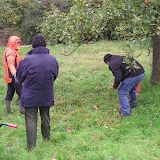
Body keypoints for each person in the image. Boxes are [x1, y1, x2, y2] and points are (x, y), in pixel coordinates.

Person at [16, 34, 59, 150]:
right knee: (45, 116)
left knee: (31, 119)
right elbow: (54, 76)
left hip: (30, 96)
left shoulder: (26, 61)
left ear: (33, 46)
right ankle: (47, 139)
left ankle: (31, 147)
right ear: (45, 45)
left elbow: (17, 79)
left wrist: (21, 95)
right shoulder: (53, 59)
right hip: (46, 95)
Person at [2, 36, 24, 114]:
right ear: (13, 42)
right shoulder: (11, 52)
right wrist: (16, 75)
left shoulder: (12, 50)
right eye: (17, 42)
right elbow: (10, 64)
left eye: (19, 42)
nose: (19, 44)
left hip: (10, 76)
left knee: (10, 93)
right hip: (14, 76)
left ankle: (8, 112)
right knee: (22, 93)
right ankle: (22, 111)